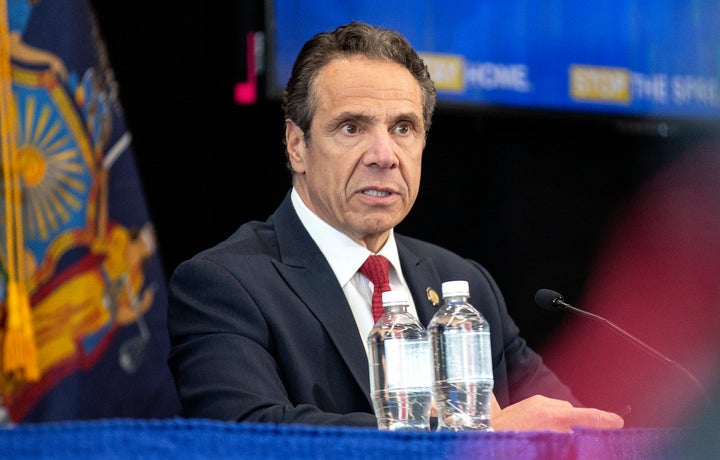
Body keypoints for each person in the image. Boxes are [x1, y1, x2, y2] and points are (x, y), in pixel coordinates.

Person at [166, 21, 624, 432]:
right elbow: (251, 435)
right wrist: (472, 439)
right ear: (296, 145)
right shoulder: (225, 285)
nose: (384, 155)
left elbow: (570, 422)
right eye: (351, 128)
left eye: (403, 128)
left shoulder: (463, 284)